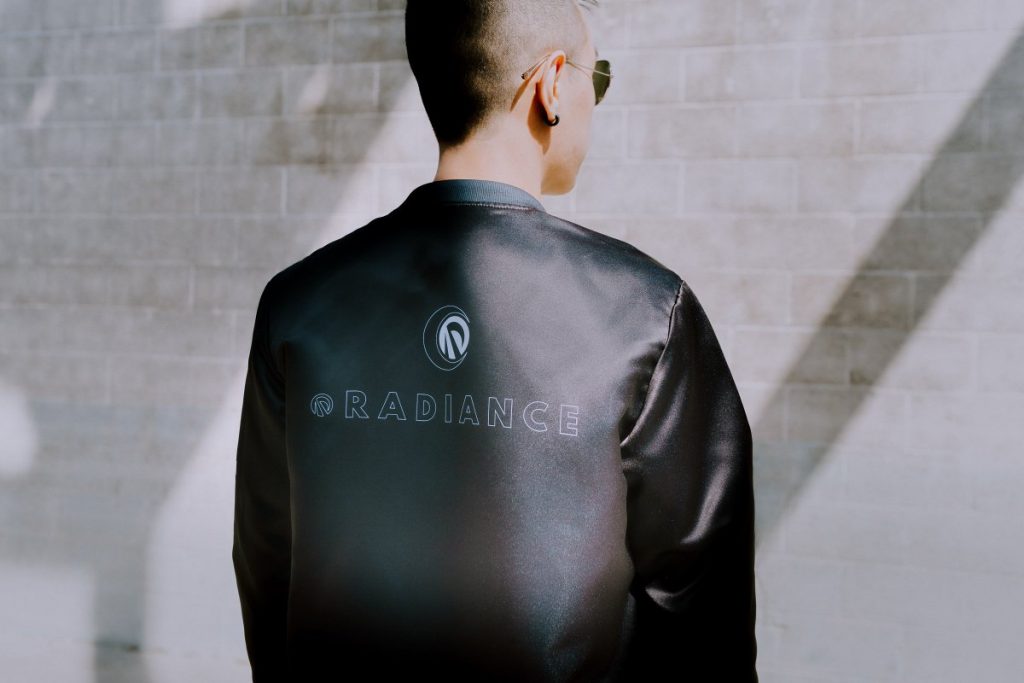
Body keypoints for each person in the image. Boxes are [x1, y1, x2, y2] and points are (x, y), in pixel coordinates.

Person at [231, 0, 758, 680]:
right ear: (551, 84)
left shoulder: (298, 303)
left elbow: (268, 563)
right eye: (596, 79)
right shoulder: (646, 312)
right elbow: (700, 614)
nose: (595, 101)